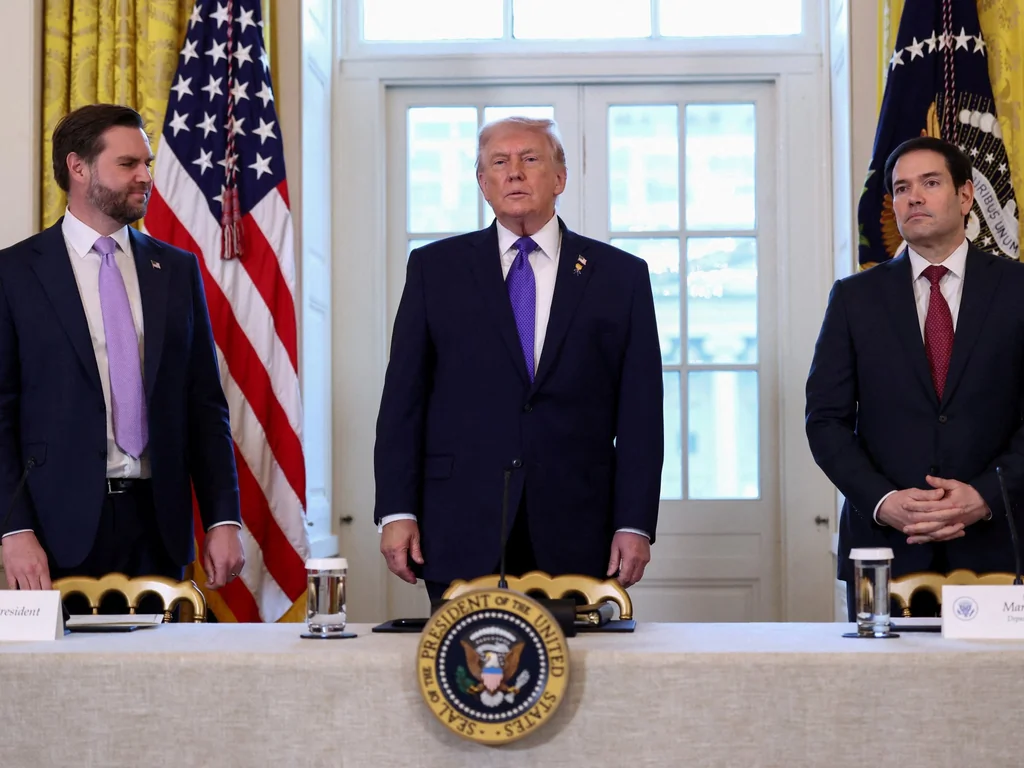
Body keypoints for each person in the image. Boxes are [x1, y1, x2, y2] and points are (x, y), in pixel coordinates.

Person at [374, 117, 664, 601]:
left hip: (578, 527)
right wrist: (397, 511)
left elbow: (641, 414)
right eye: (499, 162)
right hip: (460, 524)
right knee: (466, 654)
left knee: (570, 654)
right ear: (482, 182)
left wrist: (634, 522)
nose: (514, 172)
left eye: (530, 159)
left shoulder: (621, 276)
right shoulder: (435, 269)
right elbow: (404, 401)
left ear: (559, 178)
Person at [0, 104, 244, 594]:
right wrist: (13, 530)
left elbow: (204, 407)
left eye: (146, 164)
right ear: (78, 167)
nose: (145, 177)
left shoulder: (177, 270)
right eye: (128, 164)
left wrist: (223, 519)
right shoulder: (14, 273)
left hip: (160, 529)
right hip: (53, 534)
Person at [805, 136, 1024, 618]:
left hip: (1000, 544)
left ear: (965, 196)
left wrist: (985, 496)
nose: (914, 197)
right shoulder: (854, 298)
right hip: (884, 548)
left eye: (930, 183)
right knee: (880, 674)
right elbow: (825, 421)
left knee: (998, 673)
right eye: (902, 188)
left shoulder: (1018, 289)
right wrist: (883, 500)